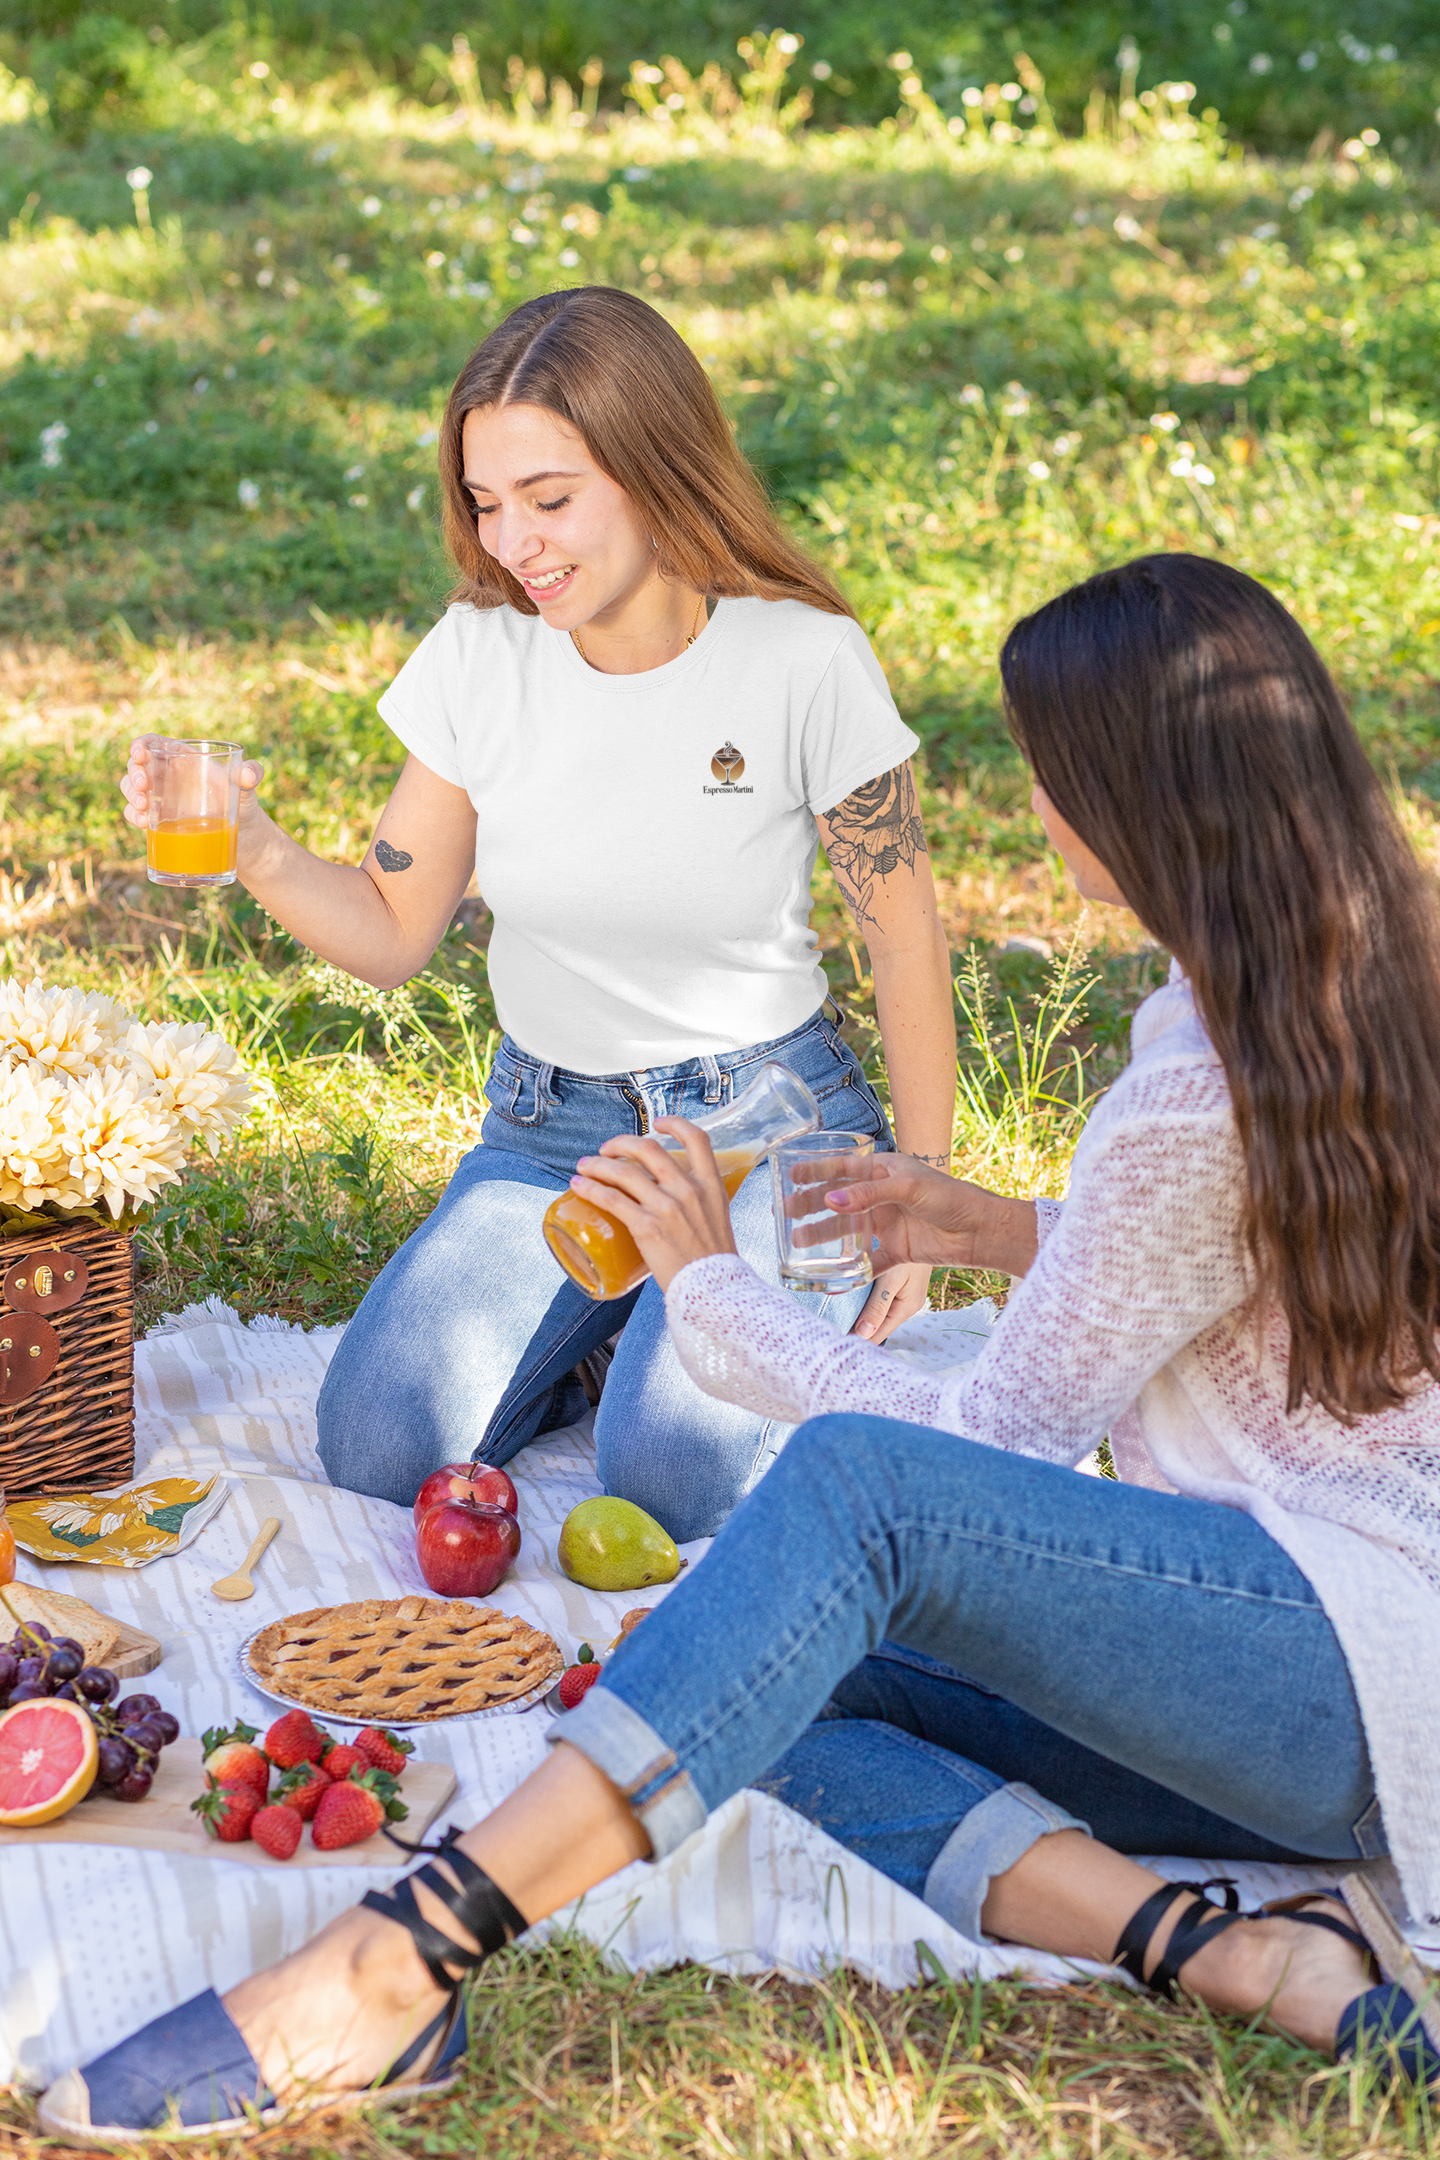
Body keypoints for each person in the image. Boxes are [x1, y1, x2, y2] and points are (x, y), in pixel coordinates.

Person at [65, 554, 1439, 2140]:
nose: (1038, 809)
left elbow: (978, 1451)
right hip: (1286, 1664)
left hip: (1348, 1671)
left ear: (1132, 799)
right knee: (741, 1663)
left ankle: (398, 1965)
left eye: (1048, 774)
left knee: (854, 1492)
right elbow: (1249, 1248)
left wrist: (708, 1286)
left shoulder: (1203, 1085)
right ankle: (1229, 1953)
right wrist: (997, 1227)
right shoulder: (1343, 969)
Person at [120, 286, 956, 1543]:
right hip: (552, 1130)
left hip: (769, 1126)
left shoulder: (803, 661)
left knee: (675, 1475)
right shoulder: (480, 657)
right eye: (485, 502)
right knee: (378, 1443)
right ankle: (618, 1319)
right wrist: (257, 848)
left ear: (655, 466)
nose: (514, 542)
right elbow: (398, 930)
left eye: (550, 499)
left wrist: (920, 1198)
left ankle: (693, 1327)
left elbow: (905, 940)